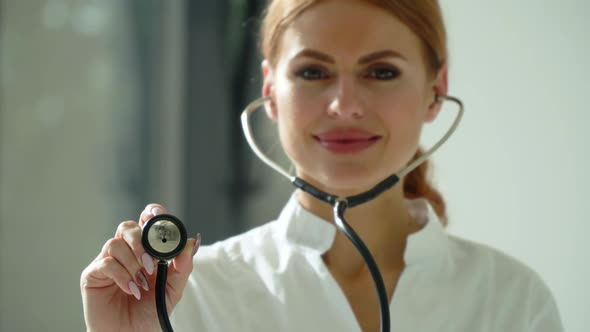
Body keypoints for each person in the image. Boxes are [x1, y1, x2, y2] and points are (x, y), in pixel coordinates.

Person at [80, 0, 564, 331]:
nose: (343, 105)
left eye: (381, 72)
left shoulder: (511, 299)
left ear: (436, 90)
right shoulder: (188, 298)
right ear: (270, 90)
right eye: (313, 72)